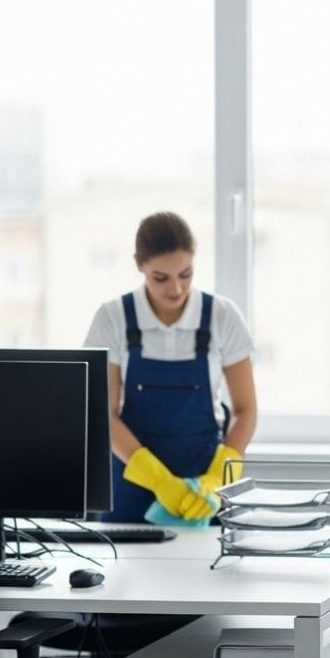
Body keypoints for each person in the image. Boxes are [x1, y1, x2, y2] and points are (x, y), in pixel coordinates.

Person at [85, 211, 257, 523]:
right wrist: (159, 481)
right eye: (160, 278)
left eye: (186, 274)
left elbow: (245, 410)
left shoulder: (222, 316)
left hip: (203, 492)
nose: (176, 289)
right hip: (131, 486)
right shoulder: (113, 318)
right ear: (139, 265)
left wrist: (218, 478)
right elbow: (103, 416)